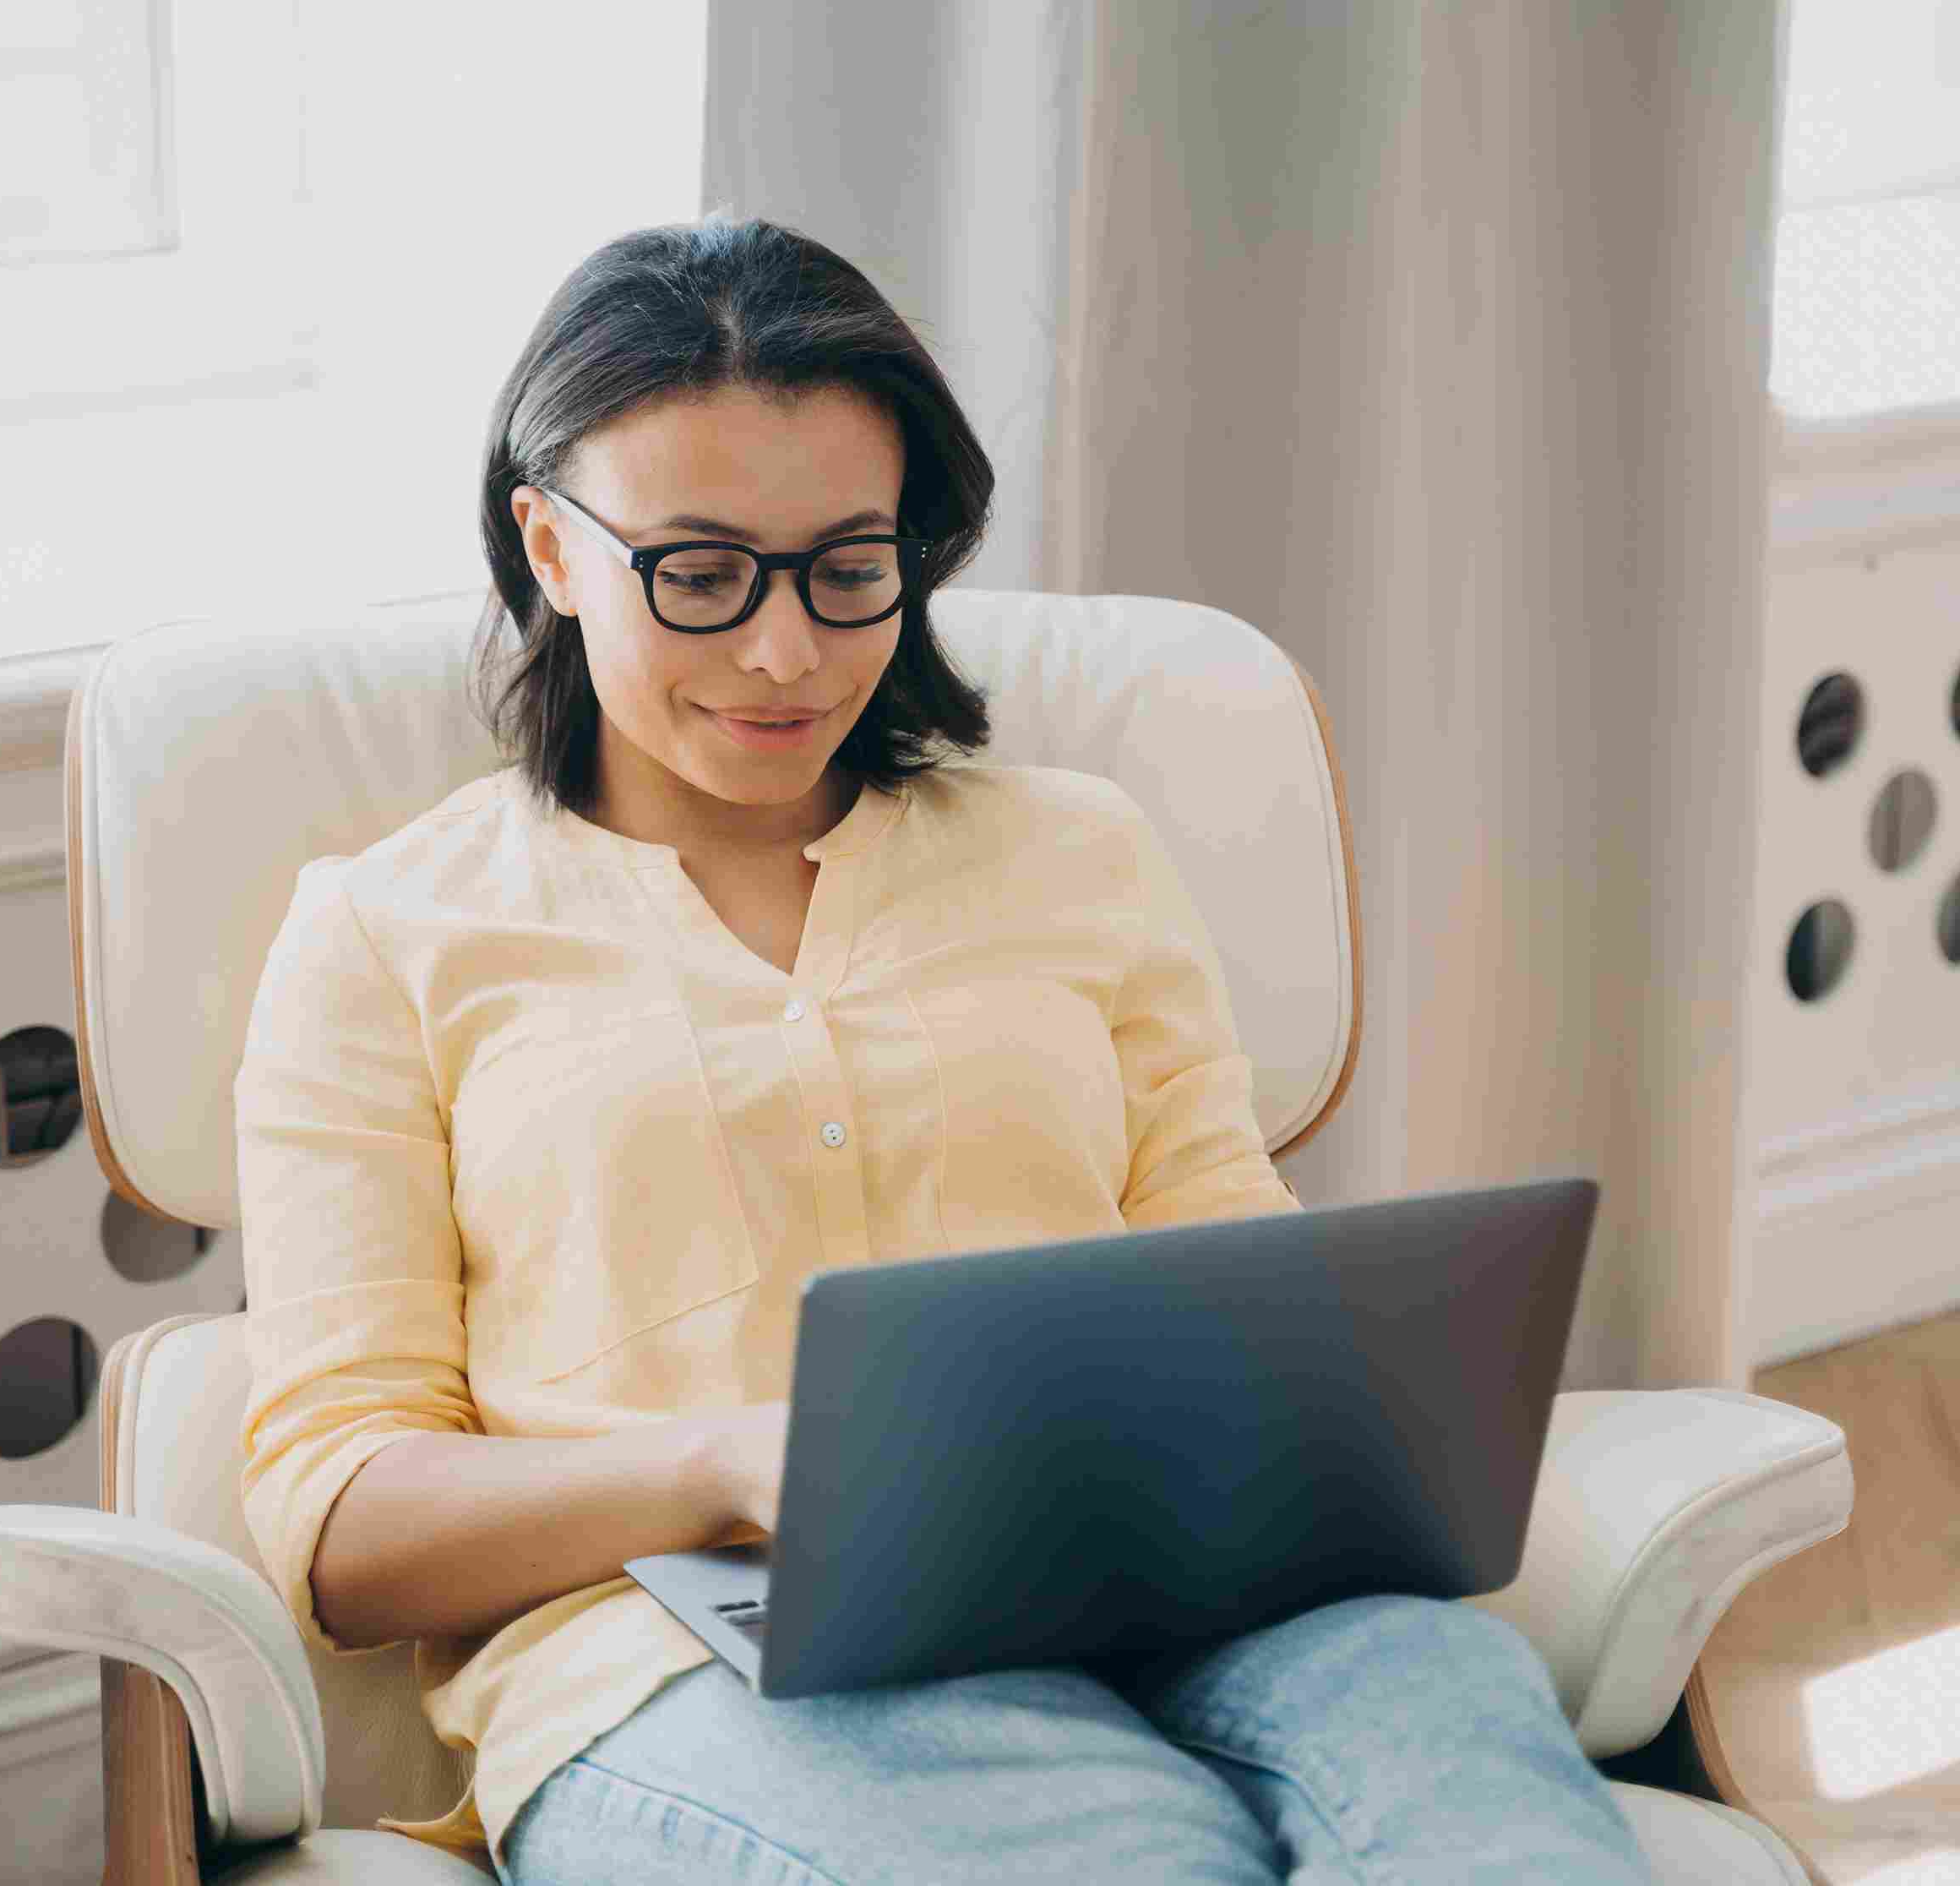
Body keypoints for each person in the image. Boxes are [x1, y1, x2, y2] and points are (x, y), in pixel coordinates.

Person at [233, 215, 1655, 1885]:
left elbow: (1236, 1276)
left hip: (1194, 1600)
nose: (789, 653)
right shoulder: (385, 934)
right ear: (550, 550)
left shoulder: (1082, 852)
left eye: (851, 568)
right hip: (690, 1668)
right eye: (699, 573)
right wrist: (711, 1468)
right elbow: (336, 1521)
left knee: (1483, 1801)